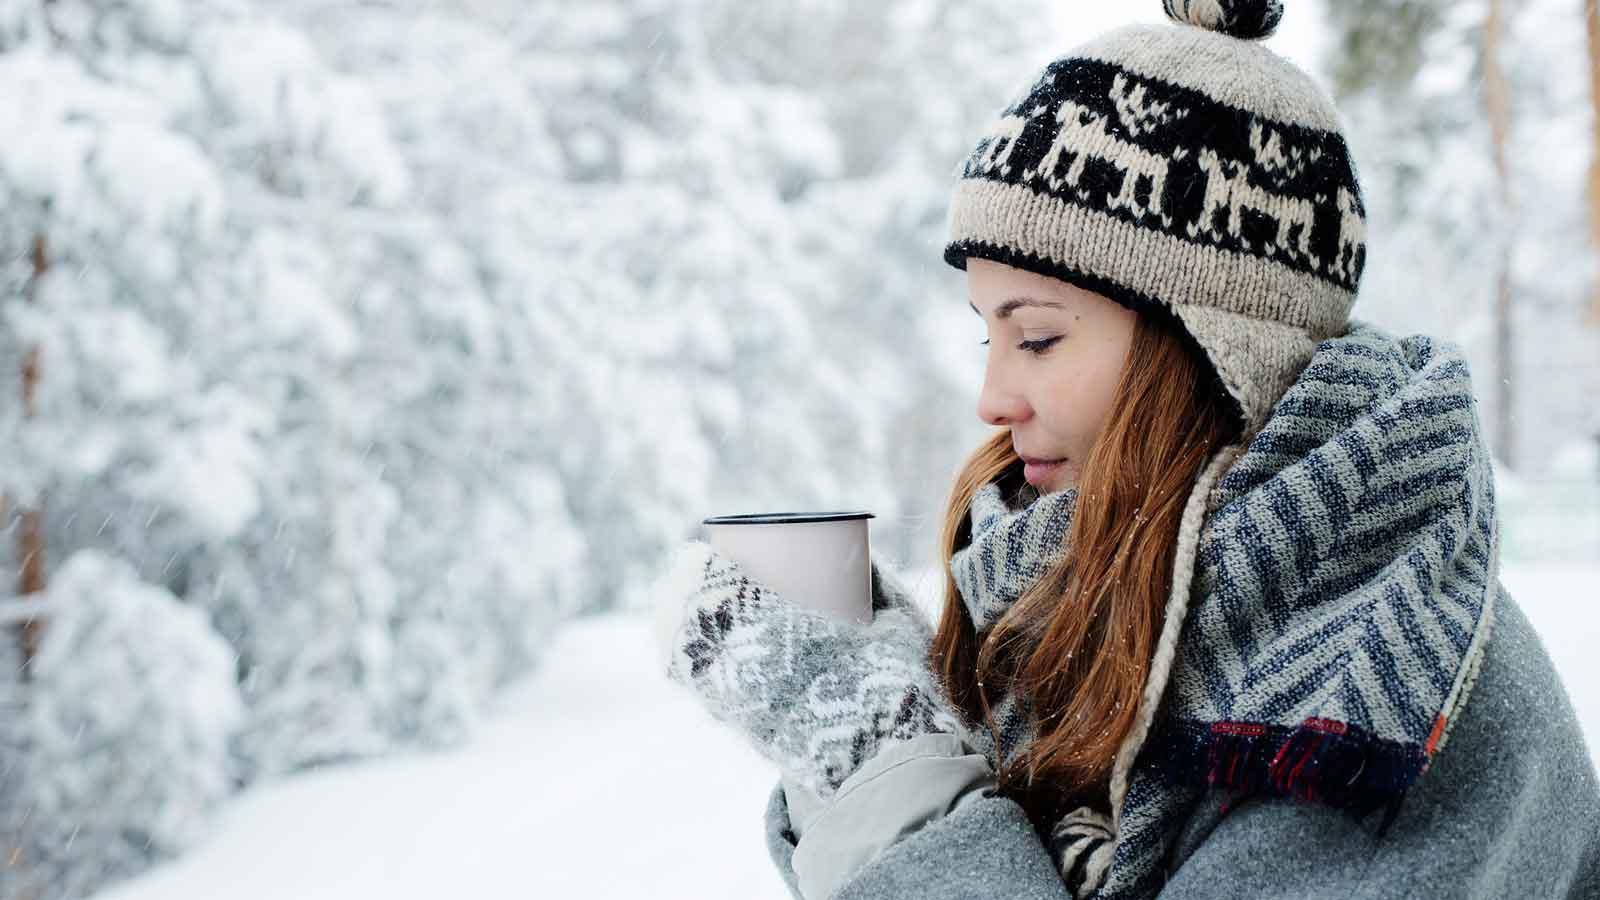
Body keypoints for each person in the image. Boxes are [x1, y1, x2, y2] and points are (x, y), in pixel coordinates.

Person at [652, 2, 1600, 897]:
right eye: (988, 334)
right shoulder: (1121, 607)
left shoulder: (1365, 713)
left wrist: (886, 777)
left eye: (1039, 337)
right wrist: (897, 728)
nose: (992, 398)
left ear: (1213, 348)